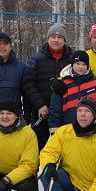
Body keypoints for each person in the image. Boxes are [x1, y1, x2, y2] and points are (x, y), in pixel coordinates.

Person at [22, 23, 74, 151]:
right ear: (48, 39)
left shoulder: (72, 60)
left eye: (59, 37)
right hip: (41, 112)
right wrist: (40, 105)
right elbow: (28, 83)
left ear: (64, 40)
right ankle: (32, 171)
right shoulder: (37, 59)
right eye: (53, 36)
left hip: (64, 112)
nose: (56, 40)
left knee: (64, 149)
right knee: (34, 149)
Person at [48, 50, 96, 133]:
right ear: (72, 65)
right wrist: (54, 130)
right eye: (77, 64)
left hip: (91, 131)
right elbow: (55, 109)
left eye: (83, 64)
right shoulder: (62, 84)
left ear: (87, 66)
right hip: (67, 130)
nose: (80, 67)